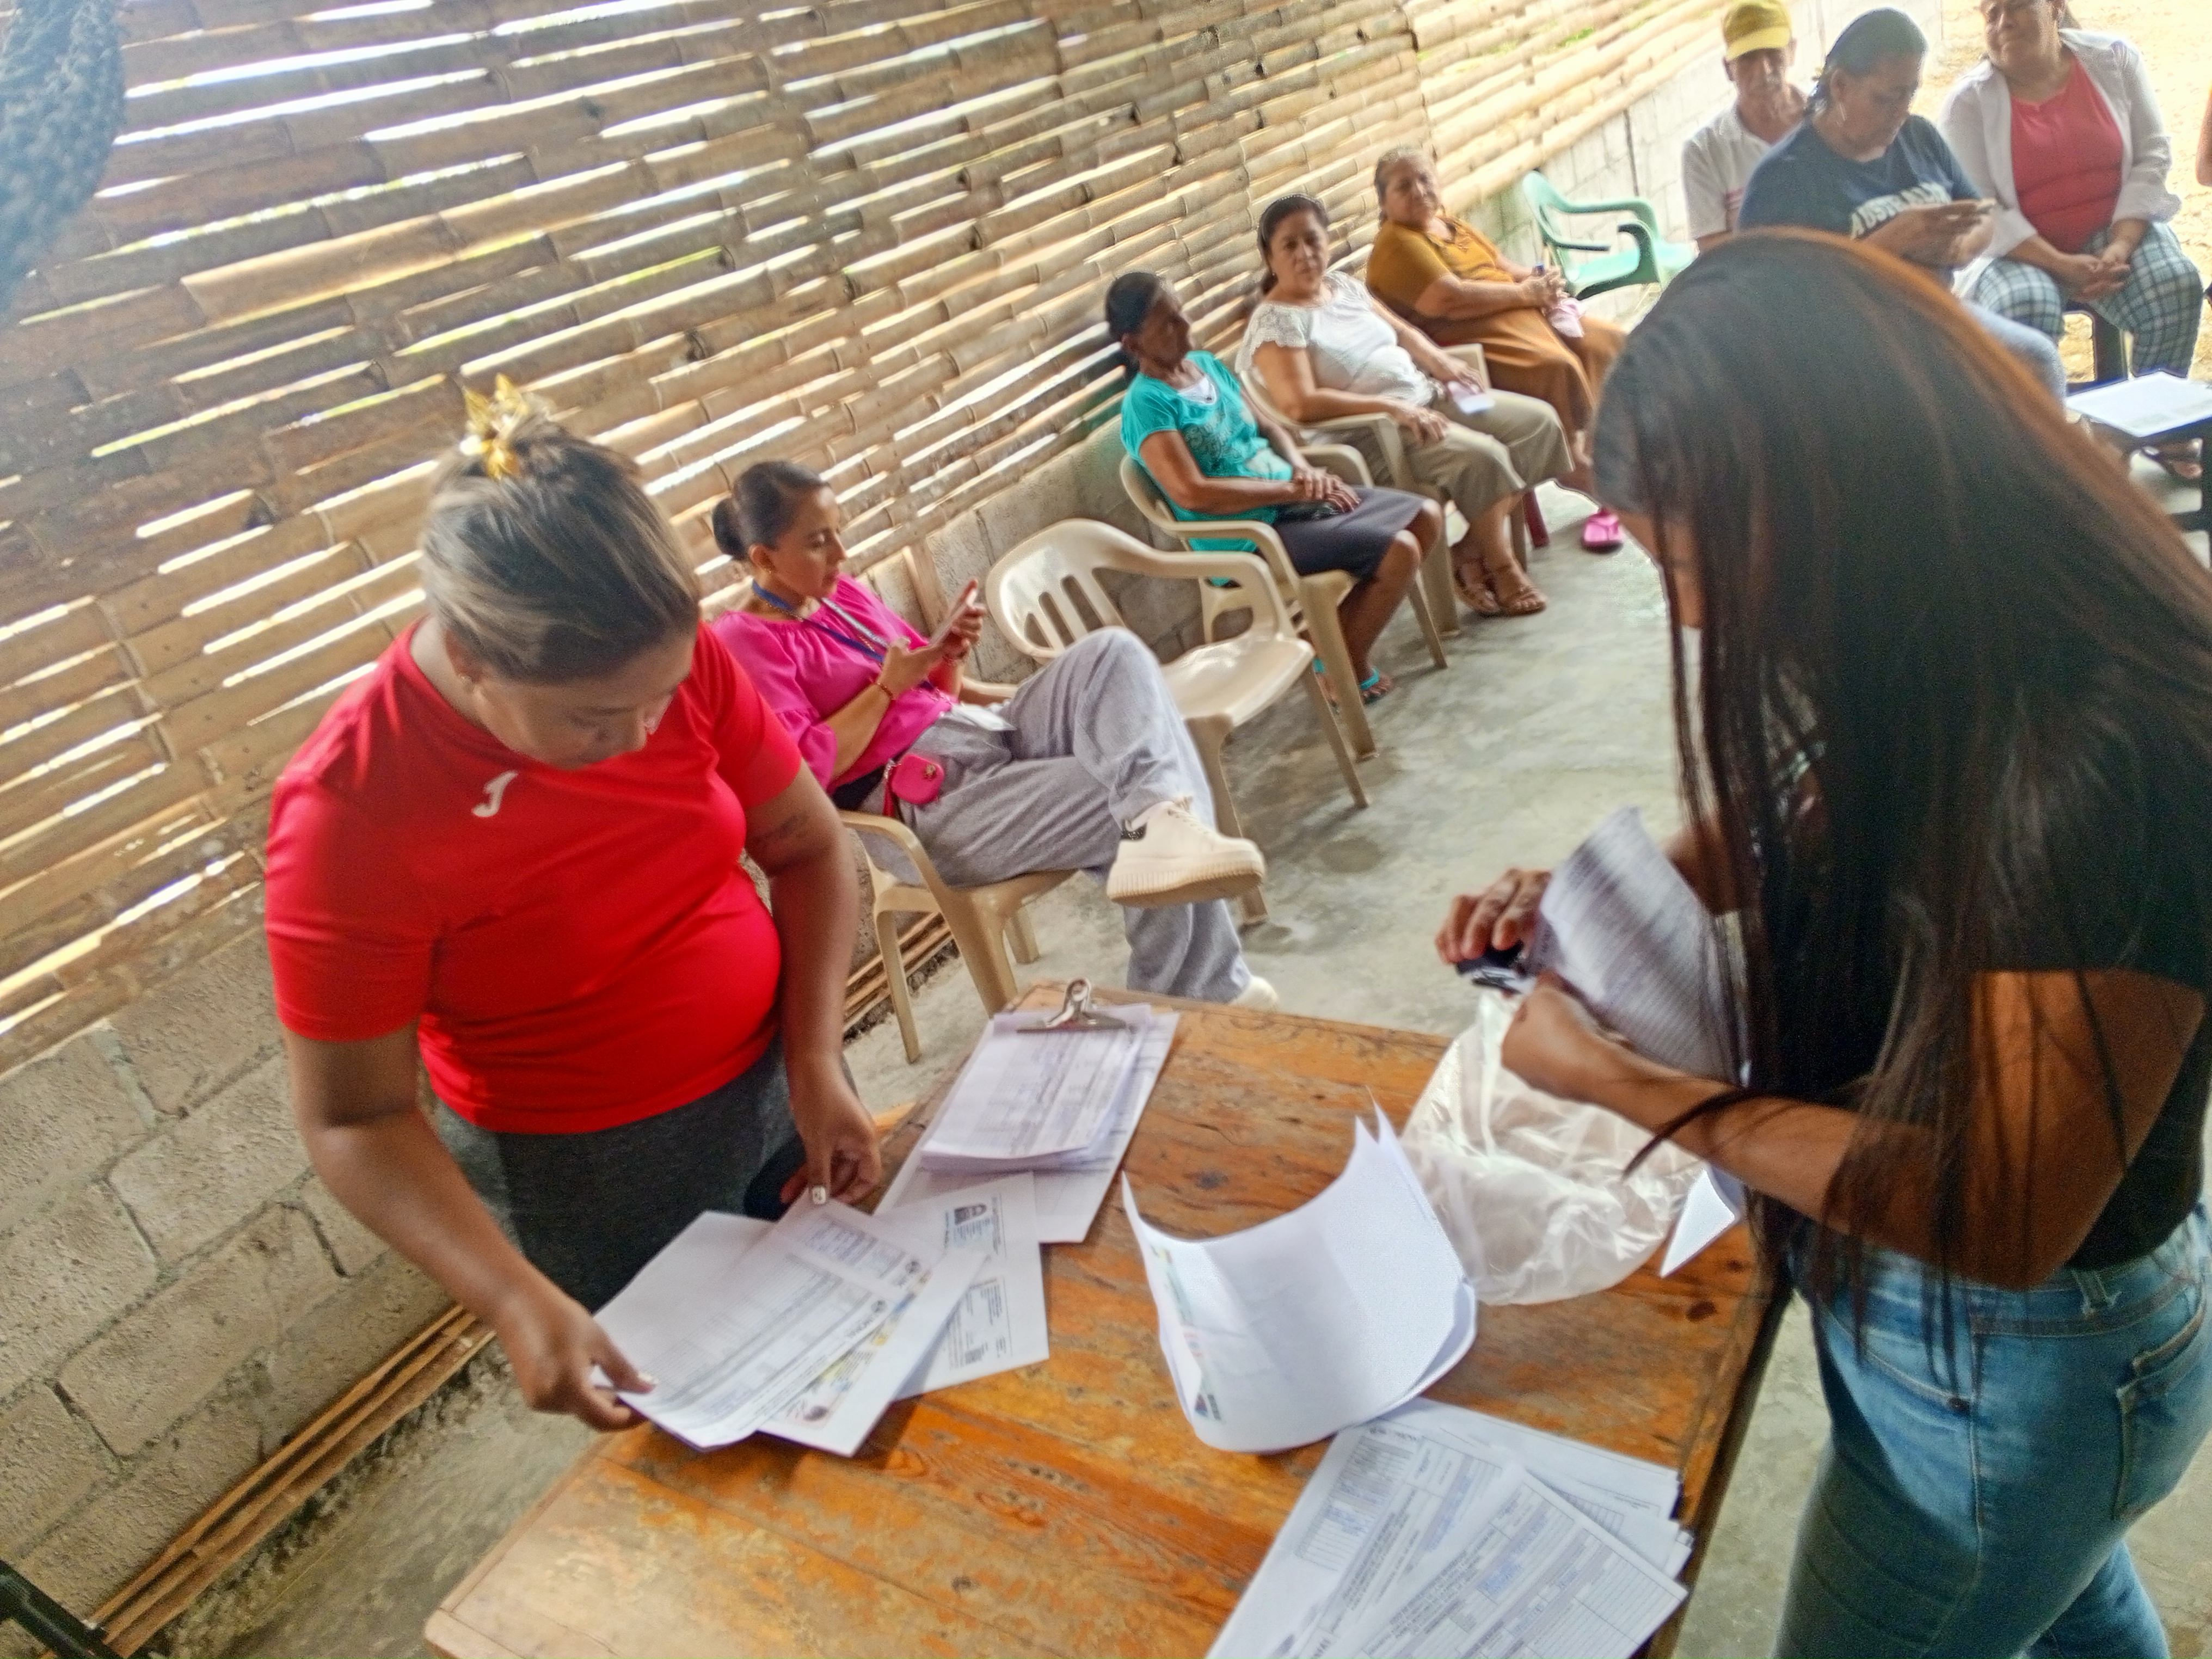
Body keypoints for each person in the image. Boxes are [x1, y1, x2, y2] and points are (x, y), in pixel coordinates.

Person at [1439, 232, 2212, 1659]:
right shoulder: (1954, 617)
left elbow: (2002, 1210)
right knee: (2068, 1614)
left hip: (2021, 1358)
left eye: (1699, 567)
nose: (1690, 615)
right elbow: (1834, 799)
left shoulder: (2099, 752)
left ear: (1839, 504)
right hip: (1951, 1326)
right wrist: (1611, 893)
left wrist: (1638, 1089)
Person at [266, 386, 883, 1431]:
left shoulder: (670, 658)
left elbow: (806, 843)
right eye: (594, 720)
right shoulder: (352, 810)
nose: (643, 736)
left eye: (662, 696)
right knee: (729, 1442)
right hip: (590, 1177)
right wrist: (513, 1297)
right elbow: (353, 1116)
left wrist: (814, 1056)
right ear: (471, 656)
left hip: (779, 1081)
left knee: (860, 1364)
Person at [712, 460, 1277, 1011]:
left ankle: (1186, 968)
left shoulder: (841, 594)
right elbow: (806, 771)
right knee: (1129, 794)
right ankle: (1193, 996)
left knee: (1114, 657)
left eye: (838, 533)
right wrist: (884, 690)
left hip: (978, 735)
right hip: (928, 805)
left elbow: (934, 690)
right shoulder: (743, 642)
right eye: (818, 543)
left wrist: (949, 654)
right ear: (763, 557)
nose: (840, 553)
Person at [1107, 271, 1442, 704]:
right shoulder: (1147, 404)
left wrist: (1303, 471)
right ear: (1133, 344)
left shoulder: (1207, 366)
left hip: (1292, 503)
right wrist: (1291, 493)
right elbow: (1193, 493)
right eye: (1167, 323)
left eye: (1181, 312)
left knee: (1425, 517)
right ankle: (1346, 662)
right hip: (1248, 535)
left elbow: (1269, 427)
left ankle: (1326, 646)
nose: (1185, 325)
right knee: (1399, 551)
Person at [1237, 193, 1573, 616]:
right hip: (1377, 434)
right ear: (1270, 258)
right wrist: (1393, 409)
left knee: (1539, 426)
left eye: (1312, 239)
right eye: (1290, 245)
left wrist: (1441, 363)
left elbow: (1402, 332)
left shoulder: (1343, 287)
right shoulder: (1278, 320)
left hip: (1428, 397)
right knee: (1483, 457)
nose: (1305, 254)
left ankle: (1467, 553)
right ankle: (1504, 569)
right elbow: (1301, 405)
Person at [1737, 8, 2069, 401]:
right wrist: (1895, 239)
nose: (1901, 111)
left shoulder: (1919, 137)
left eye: (1910, 93)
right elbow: (1782, 307)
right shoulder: (1785, 179)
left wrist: (1958, 248)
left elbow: (1981, 212)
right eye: (1886, 98)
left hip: (1935, 317)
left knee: (2036, 362)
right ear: (1840, 85)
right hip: (1846, 351)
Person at [1941, 0, 2202, 477]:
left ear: (2055, 8)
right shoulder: (1968, 102)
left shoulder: (2116, 60)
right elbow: (1982, 209)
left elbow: (2153, 154)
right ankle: (2041, 454)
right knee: (2024, 310)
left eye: (2017, 7)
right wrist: (2059, 263)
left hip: (2114, 229)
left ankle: (2147, 429)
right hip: (2018, 249)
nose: (2003, 23)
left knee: (2175, 283)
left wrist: (2121, 244)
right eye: (1991, 13)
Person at [1364, 148, 1629, 552]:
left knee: (1605, 340)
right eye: (1403, 187)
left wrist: (1540, 280)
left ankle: (1596, 456)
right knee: (1555, 365)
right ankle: (1576, 466)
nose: (1418, 191)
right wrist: (1525, 294)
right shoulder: (1396, 243)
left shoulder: (1449, 224)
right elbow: (1448, 299)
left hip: (1520, 315)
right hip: (1472, 341)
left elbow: (1503, 267)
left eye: (1424, 179)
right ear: (1384, 202)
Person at [1682, 0, 1808, 251]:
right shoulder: (1704, 151)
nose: (1764, 71)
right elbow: (1712, 248)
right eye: (1748, 58)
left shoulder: (1828, 118)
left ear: (1792, 52)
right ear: (1728, 69)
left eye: (1773, 53)